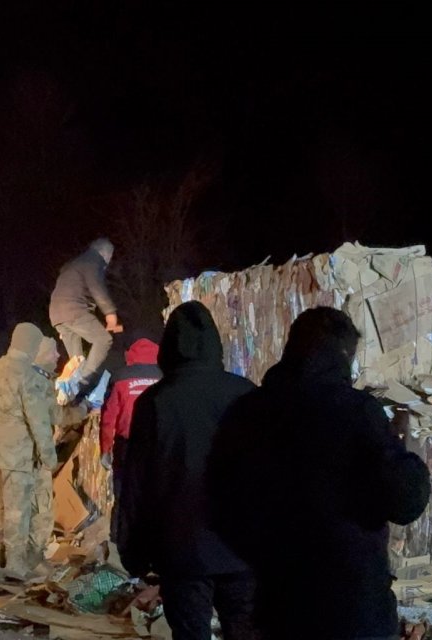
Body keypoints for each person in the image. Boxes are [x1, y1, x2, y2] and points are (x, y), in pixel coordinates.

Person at [211, 307, 431, 640]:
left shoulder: (248, 413)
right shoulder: (357, 412)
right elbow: (406, 500)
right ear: (342, 354)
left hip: (276, 606)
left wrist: (266, 555)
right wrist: (408, 454)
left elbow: (221, 503)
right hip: (352, 608)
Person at [118, 302, 259, 640]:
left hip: (182, 551)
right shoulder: (247, 395)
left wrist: (134, 553)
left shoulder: (154, 402)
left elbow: (136, 483)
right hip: (241, 548)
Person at [0, 323, 57, 573]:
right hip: (18, 453)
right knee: (18, 510)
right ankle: (15, 564)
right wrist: (49, 456)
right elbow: (39, 421)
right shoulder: (28, 376)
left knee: (1, 507)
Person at [98, 337, 162, 542]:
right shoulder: (165, 376)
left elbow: (109, 417)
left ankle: (119, 542)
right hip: (156, 445)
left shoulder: (120, 377)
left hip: (127, 446)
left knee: (123, 493)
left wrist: (105, 449)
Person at [48, 238, 122, 391]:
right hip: (73, 310)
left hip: (57, 314)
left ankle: (71, 393)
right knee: (104, 339)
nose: (109, 261)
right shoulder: (93, 261)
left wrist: (63, 325)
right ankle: (84, 380)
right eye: (110, 256)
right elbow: (97, 288)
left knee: (77, 362)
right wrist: (110, 313)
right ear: (105, 253)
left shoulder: (74, 265)